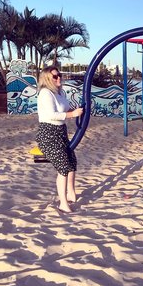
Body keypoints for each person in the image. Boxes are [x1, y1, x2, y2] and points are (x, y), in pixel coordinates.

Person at [36, 66, 83, 213]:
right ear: (47, 79)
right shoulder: (45, 93)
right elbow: (52, 115)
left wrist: (76, 111)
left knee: (72, 161)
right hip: (48, 134)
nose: (59, 78)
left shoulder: (60, 92)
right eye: (55, 77)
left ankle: (71, 193)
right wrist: (72, 115)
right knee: (63, 166)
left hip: (61, 133)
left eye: (59, 75)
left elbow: (66, 109)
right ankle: (63, 203)